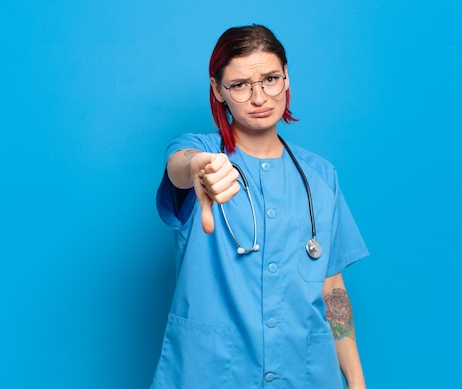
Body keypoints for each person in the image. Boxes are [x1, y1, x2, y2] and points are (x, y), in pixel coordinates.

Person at [152, 24, 369, 388]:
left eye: (270, 79)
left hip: (306, 372)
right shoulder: (201, 153)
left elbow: (332, 288)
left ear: (286, 79)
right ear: (217, 90)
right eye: (239, 85)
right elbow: (180, 165)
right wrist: (197, 168)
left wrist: (357, 380)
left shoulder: (321, 177)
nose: (259, 97)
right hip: (211, 372)